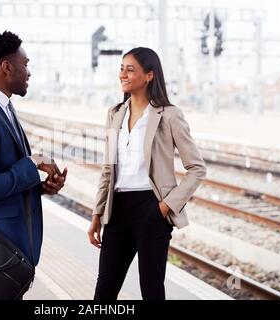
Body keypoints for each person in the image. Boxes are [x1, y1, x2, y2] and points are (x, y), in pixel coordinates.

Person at [88, 47, 207, 300]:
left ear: (149, 76)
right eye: (121, 69)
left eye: (130, 69)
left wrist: (165, 206)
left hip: (151, 209)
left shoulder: (170, 115)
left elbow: (197, 168)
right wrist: (97, 213)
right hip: (117, 210)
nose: (123, 74)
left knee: (152, 290)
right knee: (104, 291)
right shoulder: (114, 114)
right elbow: (108, 169)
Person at [0, 31, 67, 289]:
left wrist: (38, 187)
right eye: (25, 64)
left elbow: (2, 179)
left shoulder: (3, 108)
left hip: (9, 252)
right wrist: (32, 163)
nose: (29, 72)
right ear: (7, 67)